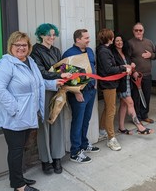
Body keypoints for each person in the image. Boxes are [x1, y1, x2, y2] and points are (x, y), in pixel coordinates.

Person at [0, 31, 62, 191]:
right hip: (14, 116)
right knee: (16, 150)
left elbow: (38, 83)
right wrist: (15, 109)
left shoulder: (30, 61)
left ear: (29, 47)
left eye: (24, 45)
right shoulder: (6, 64)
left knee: (20, 148)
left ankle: (17, 178)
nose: (21, 48)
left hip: (27, 115)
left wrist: (53, 84)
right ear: (10, 47)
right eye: (17, 45)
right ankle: (19, 186)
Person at [30, 23, 70, 174]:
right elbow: (40, 72)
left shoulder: (56, 50)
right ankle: (46, 160)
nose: (52, 37)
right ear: (41, 35)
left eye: (54, 34)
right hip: (45, 91)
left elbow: (61, 67)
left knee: (57, 124)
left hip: (58, 90)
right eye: (48, 34)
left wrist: (65, 75)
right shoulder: (35, 51)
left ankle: (57, 157)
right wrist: (60, 75)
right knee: (45, 126)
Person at [62, 29, 99, 163]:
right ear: (78, 39)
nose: (89, 40)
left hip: (90, 91)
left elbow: (94, 68)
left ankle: (84, 144)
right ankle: (75, 152)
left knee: (86, 120)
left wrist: (95, 84)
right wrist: (76, 92)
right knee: (77, 122)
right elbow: (67, 77)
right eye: (86, 38)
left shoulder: (89, 51)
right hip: (78, 94)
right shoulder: (69, 54)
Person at [97, 28, 132, 151]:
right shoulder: (104, 51)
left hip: (109, 84)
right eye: (112, 36)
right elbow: (108, 69)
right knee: (111, 110)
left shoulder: (104, 50)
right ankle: (111, 138)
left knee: (108, 108)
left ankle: (102, 130)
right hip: (108, 85)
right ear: (109, 38)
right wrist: (123, 68)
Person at [111, 34, 154, 134]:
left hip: (128, 81)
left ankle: (121, 127)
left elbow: (129, 66)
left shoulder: (125, 53)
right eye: (117, 41)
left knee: (124, 105)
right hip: (120, 83)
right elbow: (114, 69)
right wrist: (125, 67)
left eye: (121, 40)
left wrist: (132, 67)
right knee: (130, 103)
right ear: (114, 42)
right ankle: (140, 126)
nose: (119, 42)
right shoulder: (113, 54)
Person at [128, 22, 156, 124]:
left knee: (147, 95)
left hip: (147, 74)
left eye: (140, 30)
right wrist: (133, 72)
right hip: (136, 76)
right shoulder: (130, 43)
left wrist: (150, 55)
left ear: (143, 31)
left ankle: (145, 115)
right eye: (136, 30)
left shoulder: (149, 42)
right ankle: (137, 117)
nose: (138, 32)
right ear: (133, 31)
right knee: (136, 97)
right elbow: (127, 59)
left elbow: (155, 55)